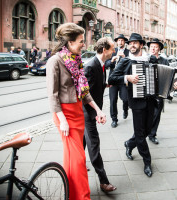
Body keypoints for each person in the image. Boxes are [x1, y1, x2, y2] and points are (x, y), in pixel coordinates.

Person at [46, 23, 106, 199]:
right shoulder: (54, 61)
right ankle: (82, 196)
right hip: (65, 116)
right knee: (79, 159)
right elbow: (52, 95)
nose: (84, 45)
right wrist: (62, 120)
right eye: (80, 41)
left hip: (78, 113)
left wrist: (98, 110)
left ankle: (71, 193)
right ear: (69, 42)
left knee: (72, 158)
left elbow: (84, 93)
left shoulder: (76, 60)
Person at [108, 33, 156, 177]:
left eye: (135, 43)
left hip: (151, 100)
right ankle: (147, 162)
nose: (132, 45)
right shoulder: (126, 61)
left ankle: (129, 144)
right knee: (140, 134)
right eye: (131, 43)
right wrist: (126, 77)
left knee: (147, 131)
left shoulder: (151, 59)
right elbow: (112, 78)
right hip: (136, 102)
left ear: (141, 45)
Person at [83, 37, 117, 193]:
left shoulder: (100, 64)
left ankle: (78, 165)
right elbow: (85, 94)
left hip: (92, 110)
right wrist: (97, 111)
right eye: (112, 49)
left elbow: (95, 85)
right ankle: (103, 181)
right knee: (94, 144)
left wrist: (105, 84)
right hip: (87, 112)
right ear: (104, 50)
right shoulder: (90, 66)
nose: (114, 51)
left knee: (82, 141)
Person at [146, 38, 169, 145]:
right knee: (145, 113)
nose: (153, 49)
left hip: (159, 91)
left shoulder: (164, 61)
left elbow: (169, 76)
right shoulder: (145, 59)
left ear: (159, 48)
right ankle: (144, 132)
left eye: (155, 47)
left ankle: (152, 134)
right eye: (151, 47)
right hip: (146, 91)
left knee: (156, 114)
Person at [105, 34, 129, 128]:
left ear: (124, 42)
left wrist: (124, 58)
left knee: (125, 98)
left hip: (123, 79)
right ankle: (114, 119)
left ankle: (125, 109)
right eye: (119, 40)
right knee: (113, 100)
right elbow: (106, 64)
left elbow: (130, 65)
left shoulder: (128, 52)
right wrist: (112, 61)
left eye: (122, 40)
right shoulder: (112, 51)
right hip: (113, 79)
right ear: (117, 42)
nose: (120, 42)